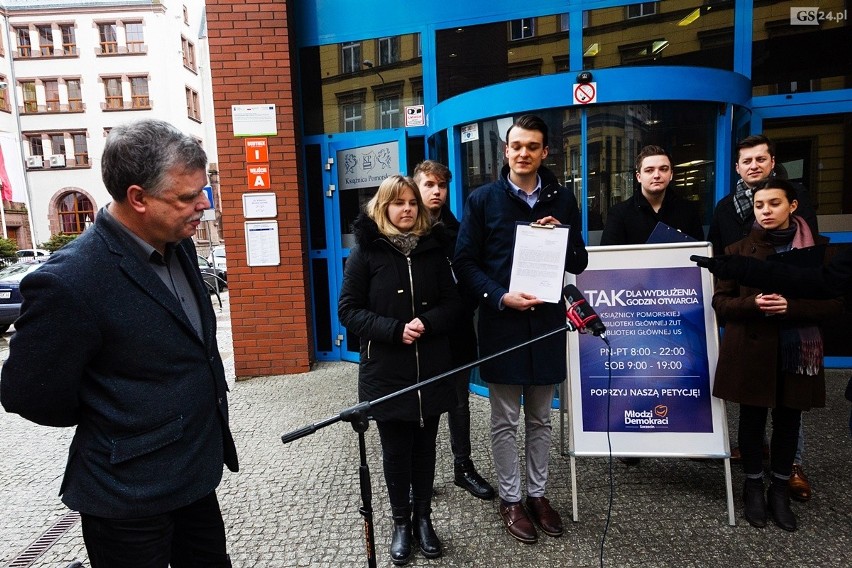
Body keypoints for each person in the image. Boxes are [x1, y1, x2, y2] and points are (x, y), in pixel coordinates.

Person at [0, 119, 238, 567]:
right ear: (138, 198)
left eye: (202, 192)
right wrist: (114, 415)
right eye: (188, 197)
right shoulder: (70, 281)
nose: (202, 206)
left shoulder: (178, 244)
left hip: (195, 474)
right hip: (127, 494)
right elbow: (25, 394)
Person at [454, 114, 589, 544]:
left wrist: (561, 237)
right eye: (516, 146)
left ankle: (538, 495)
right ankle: (511, 499)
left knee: (540, 418)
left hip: (547, 324)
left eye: (533, 146)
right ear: (506, 151)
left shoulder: (563, 200)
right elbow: (465, 264)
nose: (524, 153)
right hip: (502, 323)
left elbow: (578, 262)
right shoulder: (482, 201)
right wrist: (498, 296)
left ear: (545, 152)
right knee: (504, 418)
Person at [338, 175, 462, 565]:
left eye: (412, 202)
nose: (407, 209)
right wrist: (394, 330)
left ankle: (424, 518)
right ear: (383, 208)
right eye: (398, 203)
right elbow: (348, 311)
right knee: (395, 452)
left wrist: (428, 322)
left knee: (426, 449)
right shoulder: (366, 253)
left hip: (432, 369)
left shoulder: (435, 249)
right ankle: (400, 523)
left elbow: (455, 304)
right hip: (387, 371)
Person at [711, 178, 842, 532]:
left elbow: (836, 304)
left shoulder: (822, 251)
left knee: (789, 422)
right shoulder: (737, 251)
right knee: (752, 421)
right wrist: (752, 303)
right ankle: (754, 485)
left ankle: (779, 489)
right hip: (753, 347)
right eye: (759, 205)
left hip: (798, 350)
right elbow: (720, 302)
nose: (766, 211)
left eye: (774, 204)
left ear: (792, 206)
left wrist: (793, 306)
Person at [708, 134, 818, 500]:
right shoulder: (726, 209)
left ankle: (790, 470)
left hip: (793, 337)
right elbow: (721, 269)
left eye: (760, 159)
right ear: (737, 168)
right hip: (751, 328)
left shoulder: (802, 219)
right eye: (746, 161)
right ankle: (755, 477)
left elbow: (820, 286)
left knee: (790, 411)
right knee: (753, 411)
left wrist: (792, 305)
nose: (753, 165)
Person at [413, 160, 496, 500]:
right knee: (423, 406)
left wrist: (461, 310)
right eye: (429, 185)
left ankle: (463, 467)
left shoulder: (459, 231)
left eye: (441, 186)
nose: (436, 191)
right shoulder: (406, 231)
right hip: (420, 336)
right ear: (415, 187)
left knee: (459, 403)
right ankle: (422, 474)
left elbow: (471, 278)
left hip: (457, 331)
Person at [600, 145, 704, 246]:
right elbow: (609, 258)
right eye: (649, 170)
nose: (657, 175)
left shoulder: (688, 211)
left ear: (671, 174)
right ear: (639, 177)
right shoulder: (619, 214)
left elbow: (699, 255)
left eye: (663, 169)